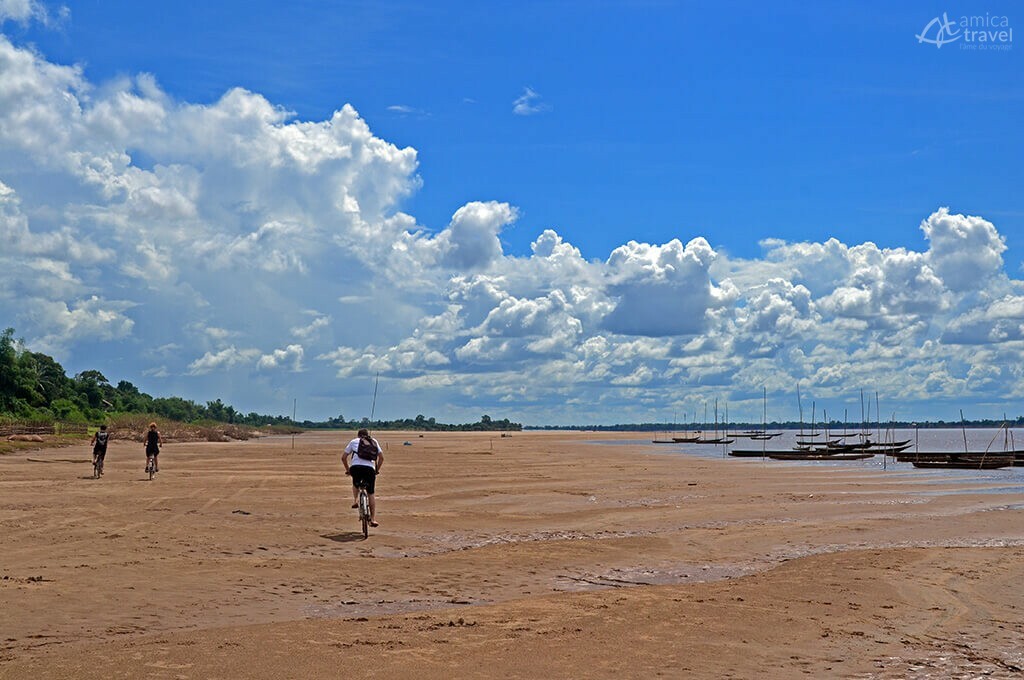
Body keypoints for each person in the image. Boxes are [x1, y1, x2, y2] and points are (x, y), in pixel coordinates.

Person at [341, 428, 383, 527]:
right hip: (370, 469)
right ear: (367, 435)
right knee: (371, 493)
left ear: (358, 435)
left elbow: (343, 457)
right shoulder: (374, 441)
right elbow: (381, 458)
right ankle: (372, 519)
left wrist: (348, 470)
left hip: (356, 468)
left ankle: (355, 501)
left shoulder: (353, 441)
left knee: (355, 483)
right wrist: (377, 470)